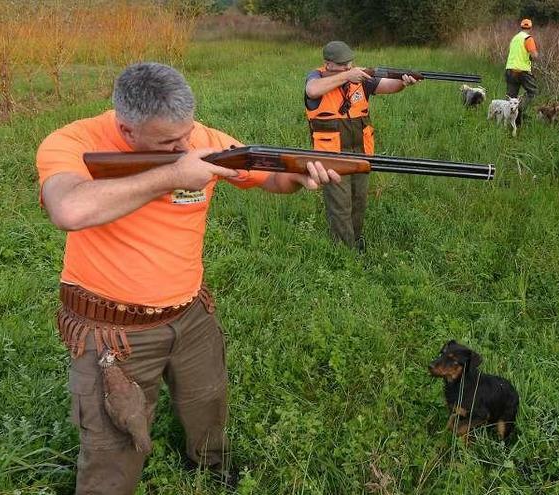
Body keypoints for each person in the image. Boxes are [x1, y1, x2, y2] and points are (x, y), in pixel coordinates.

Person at [36, 62, 341, 494]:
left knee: (208, 401)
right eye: (168, 142)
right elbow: (68, 209)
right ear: (126, 130)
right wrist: (174, 175)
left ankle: (212, 466)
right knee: (114, 439)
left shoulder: (203, 139)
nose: (185, 146)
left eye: (187, 134)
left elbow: (272, 177)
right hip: (113, 329)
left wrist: (298, 173)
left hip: (191, 313)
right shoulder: (71, 142)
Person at [304, 40, 418, 252]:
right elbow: (312, 91)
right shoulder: (316, 77)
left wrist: (403, 82)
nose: (349, 67)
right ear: (327, 64)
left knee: (358, 200)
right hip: (332, 156)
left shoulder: (360, 79)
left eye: (350, 63)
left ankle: (356, 241)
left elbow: (387, 86)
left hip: (361, 153)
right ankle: (344, 253)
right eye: (342, 65)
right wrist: (347, 76)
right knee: (340, 205)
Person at [504, 18, 540, 128]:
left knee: (511, 97)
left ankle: (509, 119)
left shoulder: (514, 39)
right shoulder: (528, 38)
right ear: (530, 28)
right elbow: (534, 55)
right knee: (533, 92)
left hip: (510, 70)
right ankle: (518, 110)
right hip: (522, 71)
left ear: (521, 27)